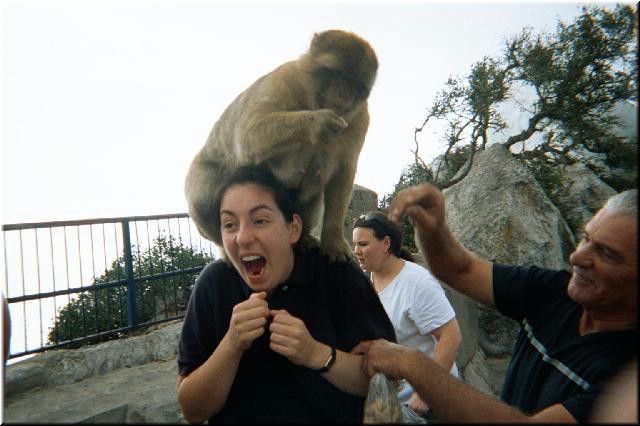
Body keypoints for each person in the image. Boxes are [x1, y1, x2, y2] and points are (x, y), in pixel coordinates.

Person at [353, 184, 637, 423]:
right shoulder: (555, 291)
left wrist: (412, 366)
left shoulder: (626, 373)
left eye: (607, 254)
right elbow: (460, 270)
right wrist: (433, 228)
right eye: (585, 239)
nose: (578, 258)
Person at [176, 166, 396, 424]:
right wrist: (232, 343)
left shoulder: (334, 271)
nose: (242, 237)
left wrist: (316, 353)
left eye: (260, 220)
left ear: (293, 228)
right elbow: (192, 411)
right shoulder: (214, 283)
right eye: (229, 224)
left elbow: (384, 378)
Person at [352, 211, 461, 418]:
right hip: (390, 403)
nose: (356, 251)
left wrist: (427, 392)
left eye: (363, 244)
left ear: (385, 243)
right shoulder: (364, 282)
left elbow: (451, 335)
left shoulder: (417, 282)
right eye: (355, 244)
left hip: (428, 405)